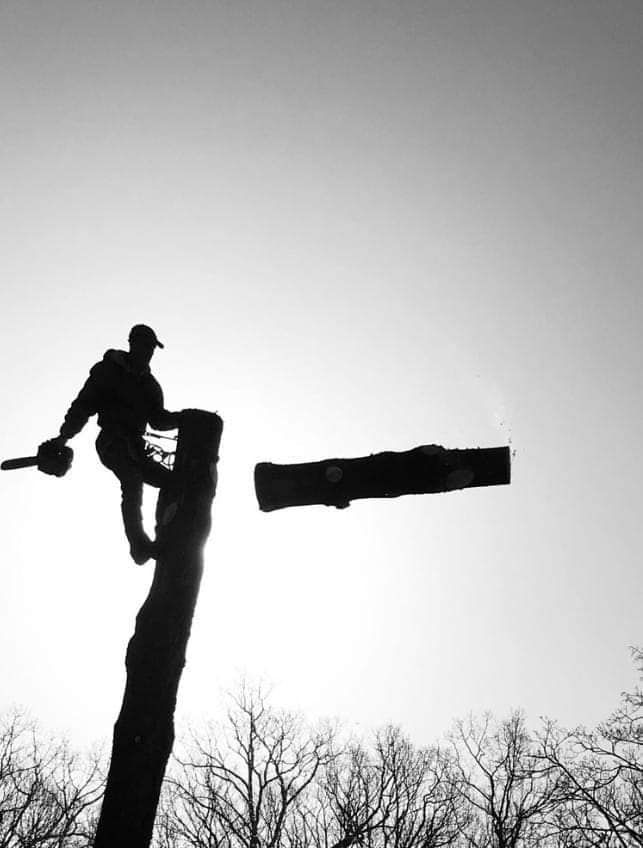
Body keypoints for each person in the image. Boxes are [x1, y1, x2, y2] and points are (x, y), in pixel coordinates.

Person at [50, 324, 179, 564]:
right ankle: (139, 545)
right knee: (132, 480)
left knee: (172, 482)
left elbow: (158, 420)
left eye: (152, 348)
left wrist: (183, 419)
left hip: (137, 446)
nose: (149, 352)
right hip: (112, 441)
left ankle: (166, 534)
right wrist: (63, 437)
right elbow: (83, 406)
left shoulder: (151, 386)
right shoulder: (108, 372)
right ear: (133, 344)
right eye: (146, 346)